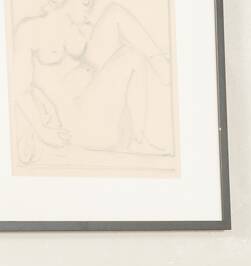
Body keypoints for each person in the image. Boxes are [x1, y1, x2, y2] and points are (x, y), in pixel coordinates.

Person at [8, 0, 173, 168]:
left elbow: (89, 68)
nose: (92, 5)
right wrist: (42, 132)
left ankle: (161, 65)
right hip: (78, 126)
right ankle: (138, 139)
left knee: (115, 14)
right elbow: (19, 90)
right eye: (86, 4)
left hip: (95, 109)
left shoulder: (75, 29)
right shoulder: (29, 31)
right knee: (132, 56)